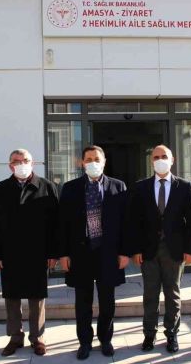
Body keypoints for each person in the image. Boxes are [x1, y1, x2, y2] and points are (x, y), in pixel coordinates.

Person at [58, 145, 130, 360]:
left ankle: (106, 339)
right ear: (82, 163)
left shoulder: (118, 186)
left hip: (108, 253)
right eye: (88, 159)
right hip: (81, 253)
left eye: (96, 159)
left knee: (108, 301)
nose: (93, 163)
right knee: (83, 302)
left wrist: (124, 252)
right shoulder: (70, 188)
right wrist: (63, 253)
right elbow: (62, 224)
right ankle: (85, 342)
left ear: (104, 161)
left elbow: (126, 222)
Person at [127, 145, 191, 353]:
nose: (160, 160)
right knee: (150, 294)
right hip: (148, 250)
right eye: (156, 157)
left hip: (174, 250)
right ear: (151, 161)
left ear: (172, 160)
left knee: (172, 294)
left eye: (164, 156)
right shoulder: (141, 187)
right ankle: (149, 334)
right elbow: (134, 222)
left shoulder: (183, 186)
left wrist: (190, 250)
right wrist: (135, 249)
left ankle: (172, 334)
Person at [0, 149, 60, 357]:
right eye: (16, 161)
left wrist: (54, 253)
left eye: (25, 160)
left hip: (38, 251)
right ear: (10, 165)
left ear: (32, 163)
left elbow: (56, 224)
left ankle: (38, 338)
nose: (21, 164)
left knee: (37, 296)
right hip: (10, 252)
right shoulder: (1, 189)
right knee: (12, 296)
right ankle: (15, 337)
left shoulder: (47, 186)